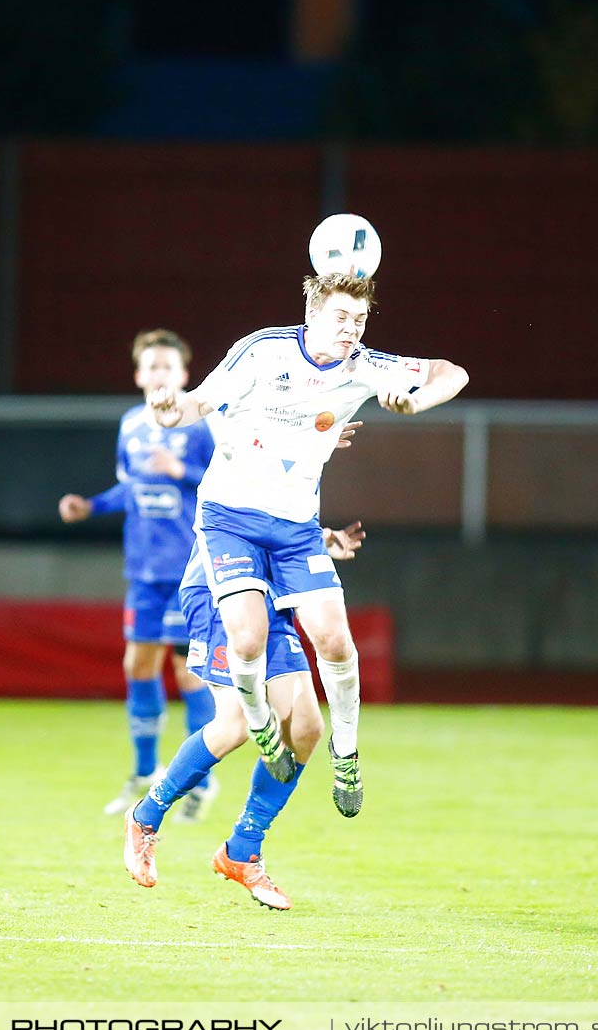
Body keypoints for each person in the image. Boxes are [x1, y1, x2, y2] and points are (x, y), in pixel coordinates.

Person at [148, 272, 468, 818]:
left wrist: (417, 401)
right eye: (341, 318)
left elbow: (450, 372)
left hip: (293, 533)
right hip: (228, 529)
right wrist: (169, 409)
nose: (352, 330)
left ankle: (344, 758)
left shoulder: (361, 366)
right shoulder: (262, 353)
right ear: (312, 312)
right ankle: (159, 806)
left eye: (360, 320)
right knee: (242, 674)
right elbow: (200, 406)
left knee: (335, 646)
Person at [123, 521, 365, 910]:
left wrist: (317, 537)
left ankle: (242, 848)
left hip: (273, 589)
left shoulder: (310, 461)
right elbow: (235, 505)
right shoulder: (241, 456)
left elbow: (280, 507)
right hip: (222, 586)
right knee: (234, 725)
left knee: (305, 728)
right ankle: (145, 816)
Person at [59, 329, 219, 820]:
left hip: (188, 568)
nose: (159, 374)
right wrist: (91, 505)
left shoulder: (201, 426)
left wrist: (181, 471)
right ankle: (146, 772)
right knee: (137, 666)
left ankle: (200, 781)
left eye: (168, 367)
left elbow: (226, 485)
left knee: (189, 672)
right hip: (144, 569)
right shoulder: (131, 425)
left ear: (185, 375)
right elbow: (129, 489)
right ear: (138, 374)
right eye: (151, 366)